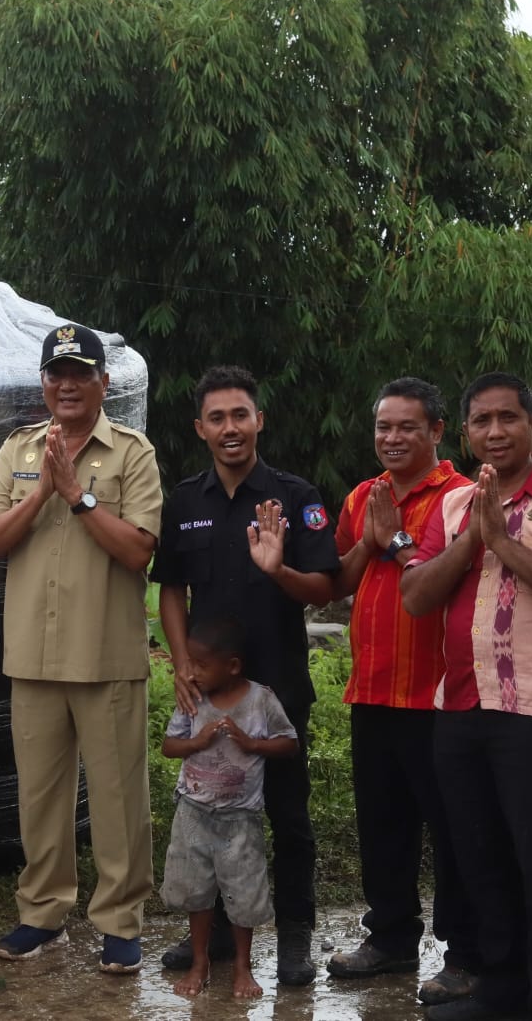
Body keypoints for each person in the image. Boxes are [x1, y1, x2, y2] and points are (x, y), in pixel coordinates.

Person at [401, 372, 532, 1021]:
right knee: (480, 865)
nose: (496, 432)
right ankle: (502, 995)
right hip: (461, 711)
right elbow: (416, 596)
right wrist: (475, 536)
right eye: (483, 421)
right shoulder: (454, 507)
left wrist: (503, 544)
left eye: (508, 418)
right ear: (465, 434)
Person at [0, 323, 162, 973]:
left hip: (105, 654)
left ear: (103, 384)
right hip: (33, 654)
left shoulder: (132, 452)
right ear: (44, 384)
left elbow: (139, 548)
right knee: (40, 797)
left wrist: (78, 497)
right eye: (57, 374)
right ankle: (43, 914)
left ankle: (120, 921)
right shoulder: (18, 449)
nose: (68, 384)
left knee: (117, 799)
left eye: (81, 373)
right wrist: (44, 493)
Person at [152, 364, 339, 985]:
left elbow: (324, 585)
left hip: (277, 689)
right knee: (205, 813)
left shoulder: (296, 496)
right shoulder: (184, 501)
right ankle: (216, 942)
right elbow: (171, 590)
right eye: (217, 418)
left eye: (240, 414)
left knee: (286, 817)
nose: (230, 428)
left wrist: (278, 569)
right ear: (199, 427)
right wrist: (181, 662)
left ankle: (293, 939)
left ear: (259, 418)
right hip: (208, 695)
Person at [324, 377, 478, 1005]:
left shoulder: (463, 498)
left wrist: (394, 542)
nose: (391, 438)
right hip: (373, 689)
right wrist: (369, 541)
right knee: (382, 826)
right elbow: (338, 580)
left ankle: (466, 953)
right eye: (383, 427)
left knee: (452, 830)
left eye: (406, 427)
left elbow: (448, 576)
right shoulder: (364, 495)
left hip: (439, 696)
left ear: (437, 431)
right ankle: (389, 939)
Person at [160, 615, 298, 1000]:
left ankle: (242, 965)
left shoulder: (261, 700)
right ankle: (200, 961)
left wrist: (252, 744)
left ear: (233, 666)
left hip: (241, 818)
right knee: (196, 891)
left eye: (201, 665)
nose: (193, 672)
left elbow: (290, 744)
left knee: (243, 892)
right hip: (193, 813)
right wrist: (197, 742)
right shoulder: (193, 699)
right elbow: (169, 746)